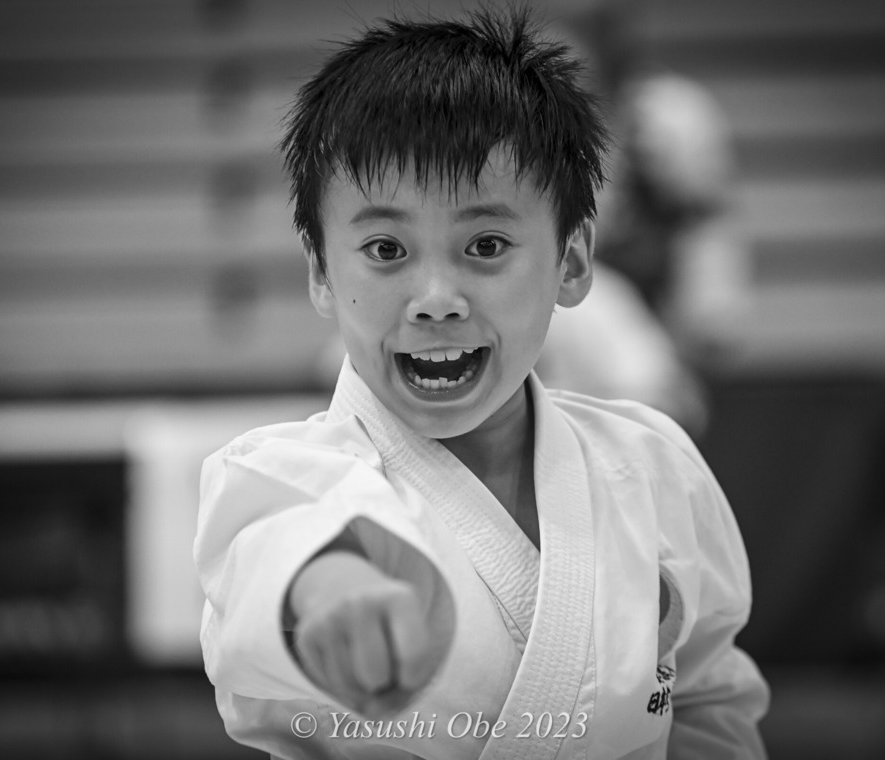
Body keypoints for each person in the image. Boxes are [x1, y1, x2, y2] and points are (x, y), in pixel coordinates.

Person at [194, 8, 768, 759]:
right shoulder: (277, 479)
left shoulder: (654, 468)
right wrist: (330, 591)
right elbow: (278, 558)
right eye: (386, 248)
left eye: (486, 244)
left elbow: (707, 697)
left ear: (571, 261)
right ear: (321, 274)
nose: (436, 295)